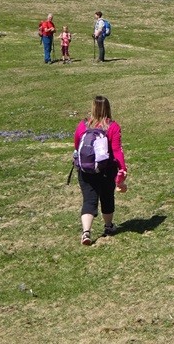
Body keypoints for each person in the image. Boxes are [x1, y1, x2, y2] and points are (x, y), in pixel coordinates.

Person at [74, 95, 128, 245]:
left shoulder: (83, 125)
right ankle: (108, 227)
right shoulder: (113, 127)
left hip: (85, 170)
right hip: (106, 169)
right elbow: (117, 150)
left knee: (89, 200)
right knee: (107, 197)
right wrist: (122, 168)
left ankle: (86, 232)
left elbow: (76, 144)